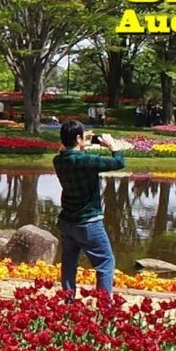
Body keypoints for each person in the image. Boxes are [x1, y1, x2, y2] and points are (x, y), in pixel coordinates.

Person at [53, 121, 125, 299]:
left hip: (67, 221)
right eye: (82, 136)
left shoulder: (58, 160)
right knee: (105, 263)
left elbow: (70, 155)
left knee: (69, 263)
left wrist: (80, 143)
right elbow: (118, 162)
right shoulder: (85, 161)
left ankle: (68, 302)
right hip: (88, 222)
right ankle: (103, 306)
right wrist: (112, 145)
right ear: (78, 138)